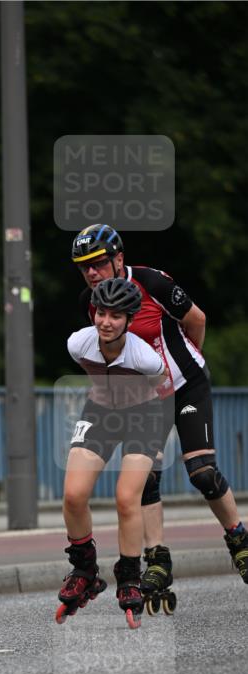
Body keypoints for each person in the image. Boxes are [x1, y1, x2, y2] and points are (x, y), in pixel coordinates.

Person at [71, 223, 248, 590]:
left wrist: (186, 361)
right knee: (144, 477)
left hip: (185, 386)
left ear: (119, 259)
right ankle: (157, 558)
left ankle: (239, 539)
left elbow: (196, 319)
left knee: (201, 471)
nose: (92, 272)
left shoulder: (152, 283)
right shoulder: (92, 304)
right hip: (145, 398)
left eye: (99, 263)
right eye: (84, 266)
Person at [57, 277, 166, 629]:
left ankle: (130, 576)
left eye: (116, 316)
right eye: (101, 313)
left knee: (125, 498)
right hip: (100, 413)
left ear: (130, 321)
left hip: (142, 417)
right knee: (73, 495)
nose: (106, 322)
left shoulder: (145, 358)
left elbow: (158, 392)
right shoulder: (78, 343)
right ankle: (85, 570)